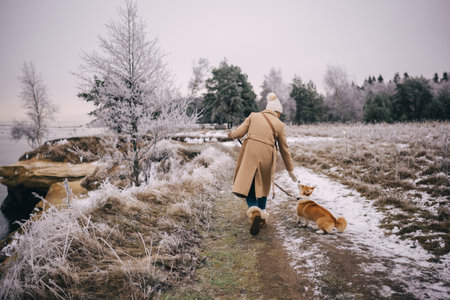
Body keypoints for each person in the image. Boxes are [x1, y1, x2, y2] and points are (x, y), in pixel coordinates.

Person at [228, 92, 297, 235]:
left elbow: (238, 133)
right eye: (279, 113)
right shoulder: (279, 124)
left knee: (249, 185)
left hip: (251, 154)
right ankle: (262, 216)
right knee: (263, 186)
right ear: (277, 112)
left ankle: (254, 212)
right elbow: (285, 149)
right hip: (267, 156)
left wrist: (229, 134)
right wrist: (290, 170)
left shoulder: (253, 116)